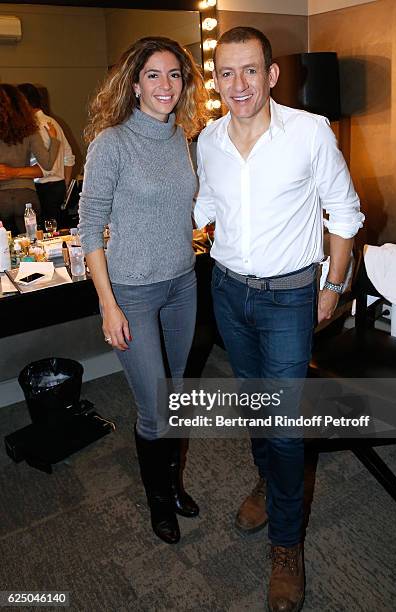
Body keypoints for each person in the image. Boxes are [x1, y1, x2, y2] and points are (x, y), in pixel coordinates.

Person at [194, 27, 364, 612]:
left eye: (249, 71)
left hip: (290, 297)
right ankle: (267, 480)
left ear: (271, 75)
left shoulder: (309, 133)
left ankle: (286, 546)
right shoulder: (208, 141)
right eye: (226, 73)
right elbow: (205, 209)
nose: (238, 85)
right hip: (227, 293)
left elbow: (345, 211)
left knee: (288, 428)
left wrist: (334, 286)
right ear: (216, 82)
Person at [78, 37, 207, 545]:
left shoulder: (183, 139)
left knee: (175, 401)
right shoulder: (112, 142)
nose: (165, 85)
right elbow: (90, 227)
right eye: (153, 75)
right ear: (134, 84)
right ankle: (159, 500)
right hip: (131, 290)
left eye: (174, 74)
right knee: (156, 407)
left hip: (182, 284)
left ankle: (172, 485)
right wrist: (108, 305)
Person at [0, 84, 60, 235]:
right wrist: (54, 140)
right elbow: (47, 164)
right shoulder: (29, 130)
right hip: (26, 196)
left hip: (2, 197)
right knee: (31, 242)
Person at [18, 83, 75, 228]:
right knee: (56, 231)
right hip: (57, 186)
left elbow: (45, 167)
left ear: (23, 102)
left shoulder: (35, 126)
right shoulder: (53, 122)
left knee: (44, 234)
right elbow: (69, 157)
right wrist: (65, 184)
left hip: (43, 189)